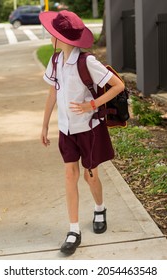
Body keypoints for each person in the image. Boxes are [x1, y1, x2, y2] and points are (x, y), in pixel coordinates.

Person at [39, 10, 124, 255]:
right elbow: (53, 92)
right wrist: (45, 124)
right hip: (66, 130)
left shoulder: (87, 62)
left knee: (90, 178)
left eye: (52, 33)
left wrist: (92, 105)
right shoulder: (55, 61)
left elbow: (118, 86)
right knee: (69, 176)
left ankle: (100, 208)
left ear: (63, 38)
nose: (49, 36)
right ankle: (73, 230)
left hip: (89, 130)